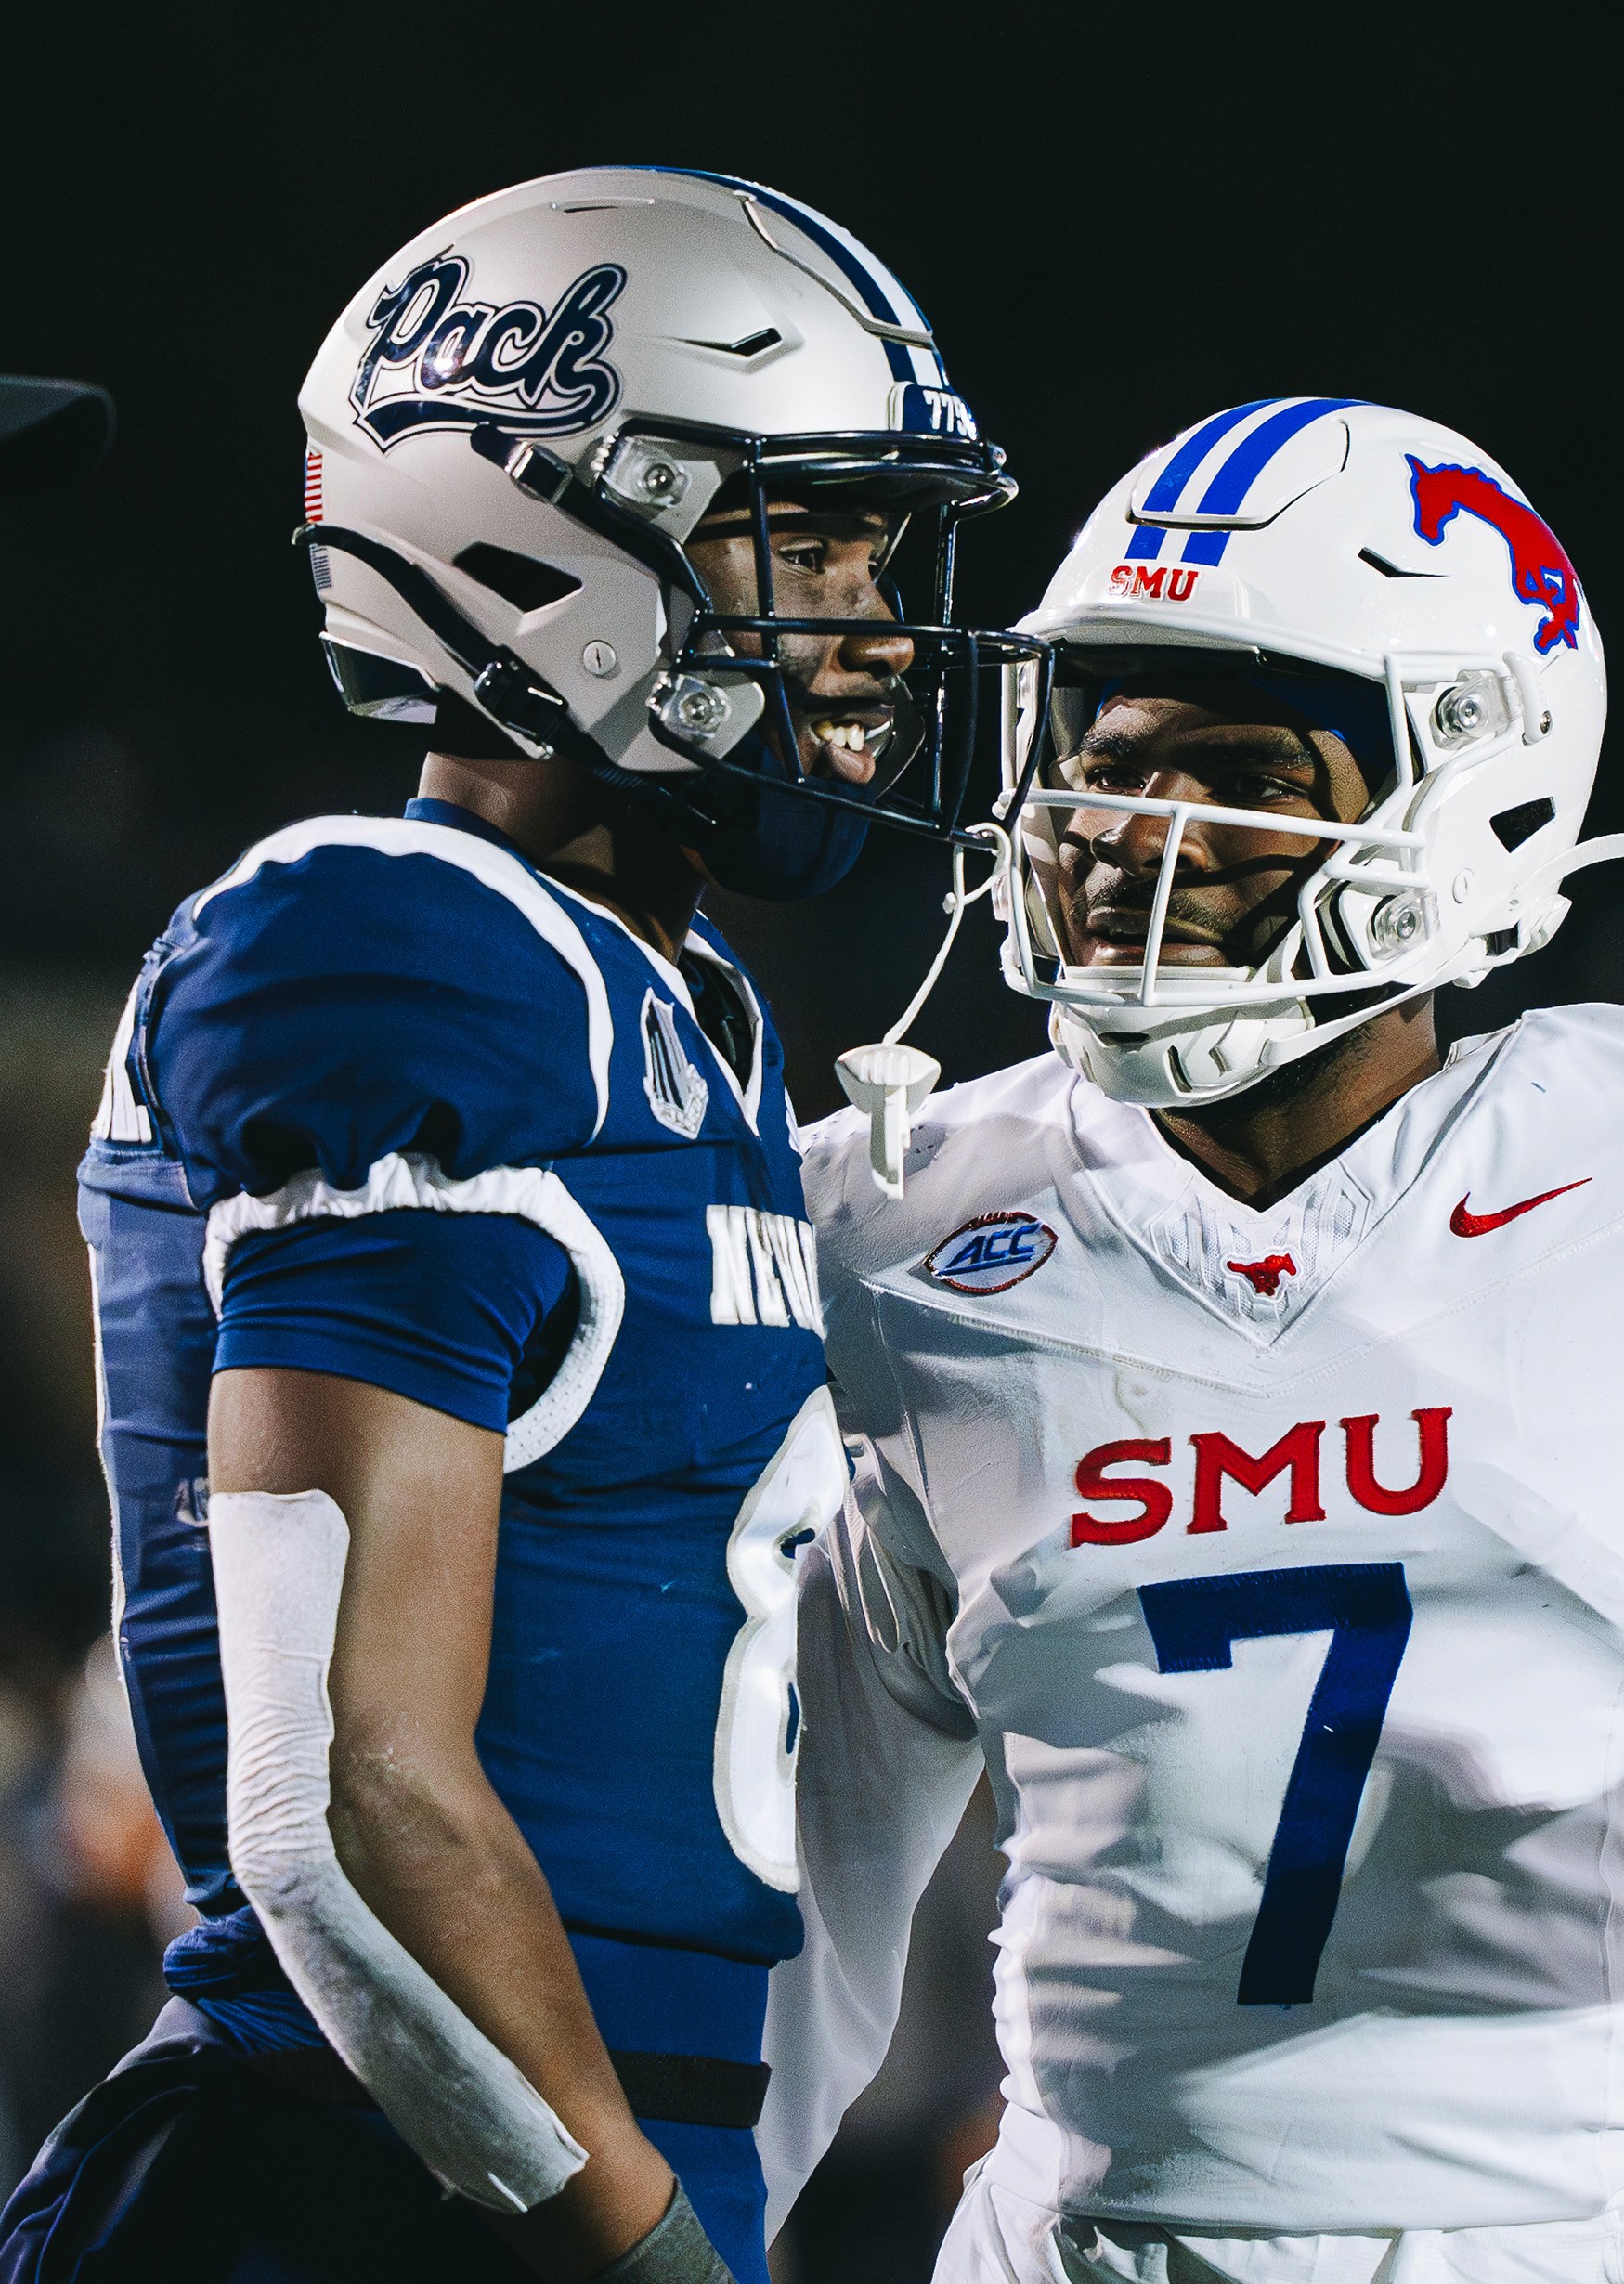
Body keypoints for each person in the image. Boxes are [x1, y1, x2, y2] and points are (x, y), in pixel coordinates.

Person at [768, 396, 1624, 2282]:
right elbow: (799, 1902)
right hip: (1077, 2238)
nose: (1124, 832)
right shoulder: (891, 1218)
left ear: (1475, 796)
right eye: (1103, 760)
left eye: (1233, 770)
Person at [0, 166, 1034, 2284]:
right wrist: (641, 2250)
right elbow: (344, 1807)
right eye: (806, 539)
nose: (867, 624)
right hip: (373, 2182)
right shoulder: (398, 952)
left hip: (564, 2159)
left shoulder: (684, 1005)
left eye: (878, 551)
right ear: (543, 541)